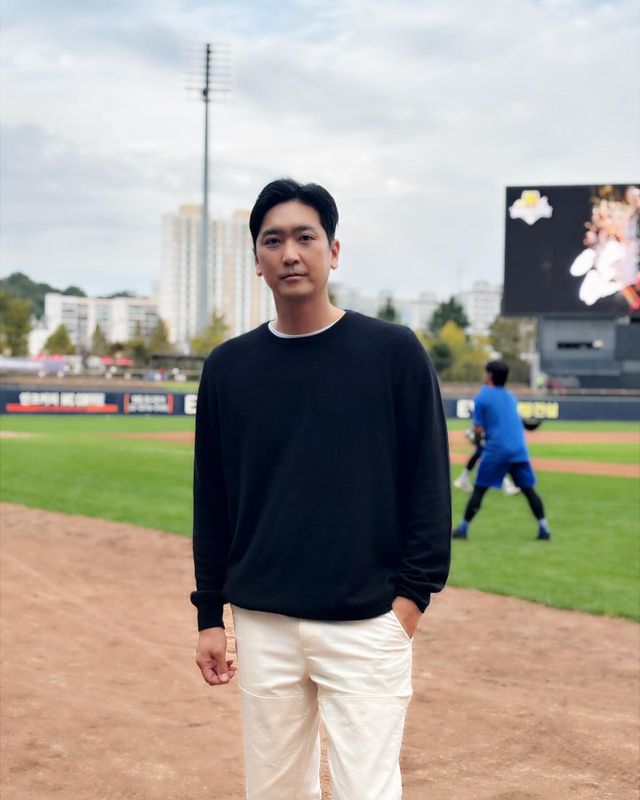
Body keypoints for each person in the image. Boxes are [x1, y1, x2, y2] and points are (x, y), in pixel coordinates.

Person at [190, 178, 451, 799]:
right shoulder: (227, 367)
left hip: (367, 622)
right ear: (256, 260)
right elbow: (212, 499)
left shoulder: (393, 352)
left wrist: (410, 603)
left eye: (305, 237)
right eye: (272, 240)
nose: (289, 253)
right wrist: (209, 615)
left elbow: (428, 484)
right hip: (263, 622)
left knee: (368, 790)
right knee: (275, 790)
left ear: (333, 251)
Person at [452, 359, 551, 541]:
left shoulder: (482, 397)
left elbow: (478, 429)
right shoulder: (511, 397)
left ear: (489, 375)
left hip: (497, 450)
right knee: (529, 490)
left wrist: (477, 439)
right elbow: (517, 422)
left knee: (479, 490)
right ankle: (544, 528)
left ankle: (463, 529)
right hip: (519, 450)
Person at [453, 428, 520, 496]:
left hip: (481, 436)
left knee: (480, 456)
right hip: (481, 436)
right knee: (493, 461)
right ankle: (507, 486)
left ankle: (462, 479)